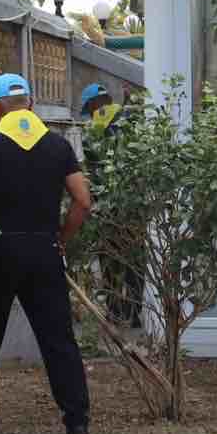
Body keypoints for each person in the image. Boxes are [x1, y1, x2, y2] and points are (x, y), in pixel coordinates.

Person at [0, 73, 94, 434]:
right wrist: (61, 239)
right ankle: (77, 424)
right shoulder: (58, 145)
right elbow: (82, 201)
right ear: (31, 103)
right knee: (59, 340)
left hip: (0, 252)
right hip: (44, 251)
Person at [79, 83, 140, 328]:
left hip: (106, 209)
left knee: (109, 260)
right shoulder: (131, 120)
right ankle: (135, 315)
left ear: (94, 103)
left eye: (89, 108)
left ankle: (115, 312)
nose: (90, 113)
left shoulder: (92, 132)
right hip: (133, 206)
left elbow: (91, 172)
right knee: (134, 262)